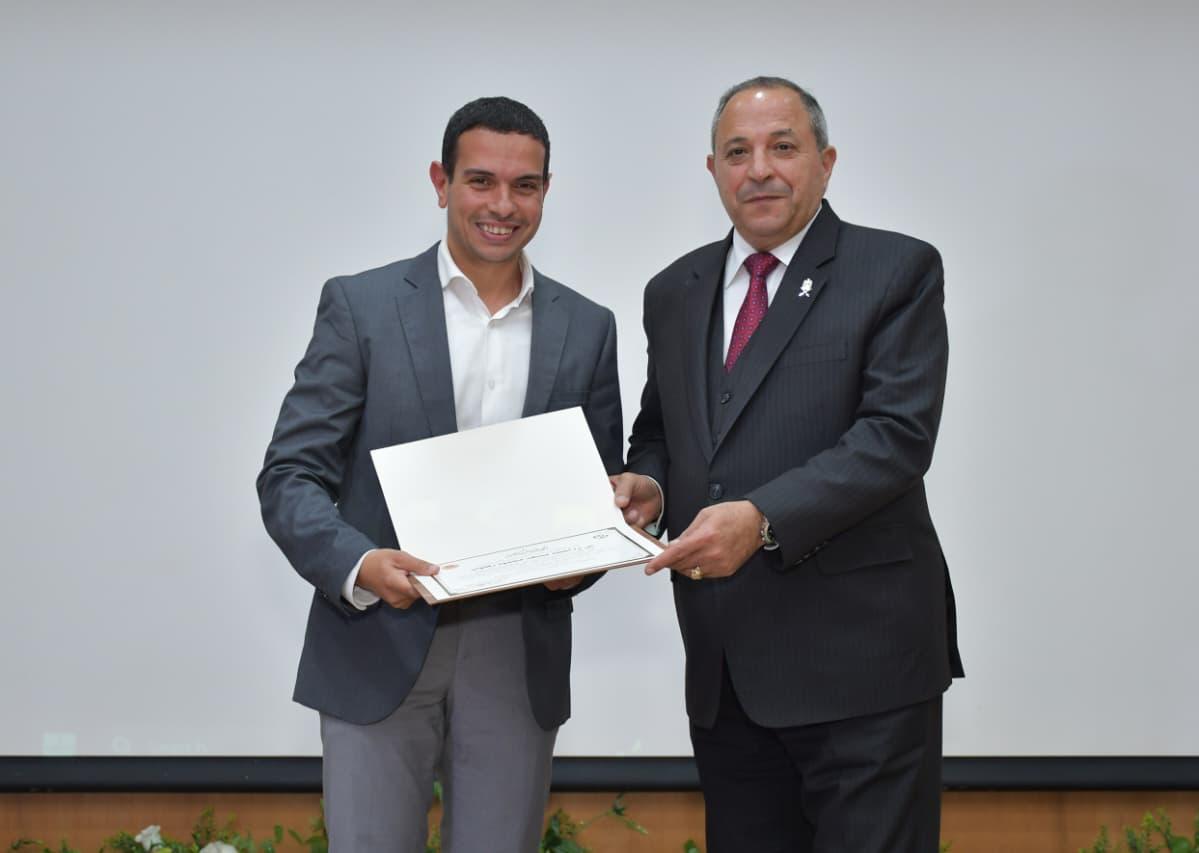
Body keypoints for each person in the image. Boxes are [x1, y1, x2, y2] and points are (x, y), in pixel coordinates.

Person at [257, 96, 622, 852]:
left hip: (518, 648)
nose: (502, 205)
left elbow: (598, 486)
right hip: (376, 637)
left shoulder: (588, 327)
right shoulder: (361, 306)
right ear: (441, 181)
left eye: (524, 186)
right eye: (481, 181)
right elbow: (290, 475)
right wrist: (360, 564)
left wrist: (582, 561)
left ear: (546, 191)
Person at [612, 77, 963, 852]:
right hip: (726, 674)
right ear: (713, 170)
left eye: (782, 147)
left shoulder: (895, 269)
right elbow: (662, 429)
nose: (759, 169)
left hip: (863, 672)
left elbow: (896, 436)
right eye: (738, 152)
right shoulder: (673, 291)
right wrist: (648, 483)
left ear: (825, 163)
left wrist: (763, 518)